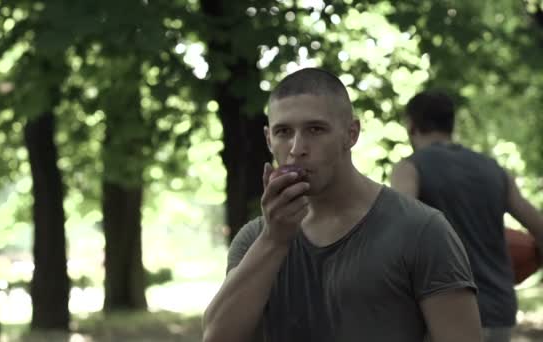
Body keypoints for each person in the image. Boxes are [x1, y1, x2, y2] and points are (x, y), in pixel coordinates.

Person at [202, 68, 483, 342]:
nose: (297, 147)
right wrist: (274, 240)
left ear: (351, 134)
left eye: (315, 129)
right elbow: (217, 336)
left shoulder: (422, 230)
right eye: (283, 132)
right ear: (268, 139)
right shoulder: (255, 240)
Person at [390, 90, 543, 342]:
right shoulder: (493, 170)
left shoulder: (410, 168)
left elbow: (398, 234)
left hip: (443, 317)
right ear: (452, 124)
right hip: (499, 312)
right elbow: (538, 228)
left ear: (411, 126)